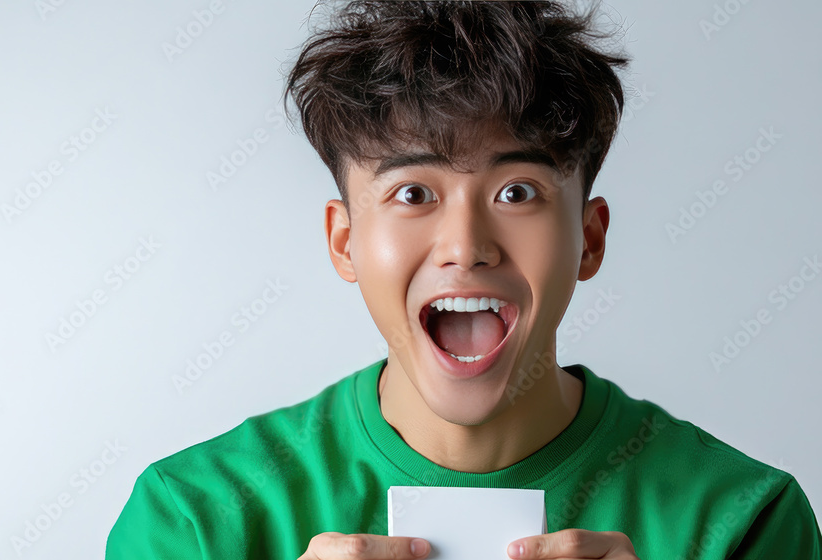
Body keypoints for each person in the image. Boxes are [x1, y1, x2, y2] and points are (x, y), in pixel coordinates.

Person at [106, 1, 822, 558]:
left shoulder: (745, 522)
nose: (466, 247)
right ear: (346, 242)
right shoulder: (192, 518)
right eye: (413, 193)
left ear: (589, 239)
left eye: (517, 192)